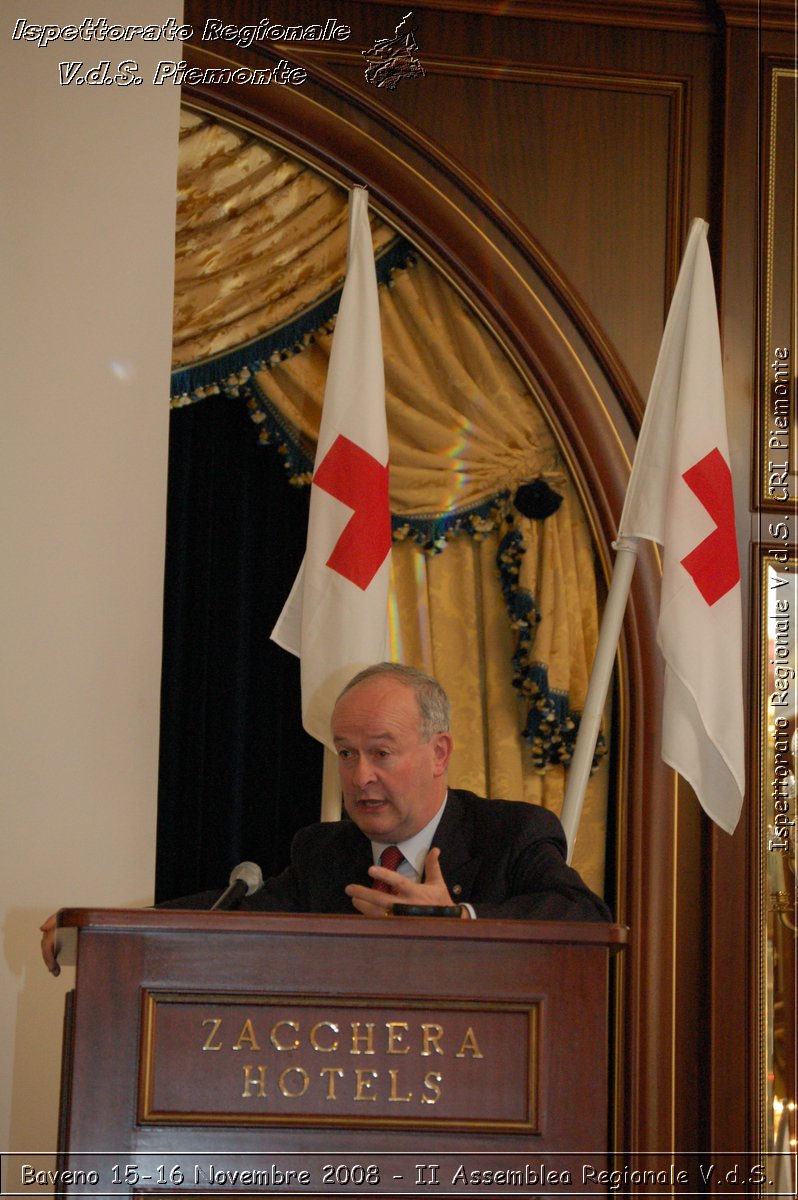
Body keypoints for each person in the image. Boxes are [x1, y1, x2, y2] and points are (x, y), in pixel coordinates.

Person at [41, 662, 609, 974]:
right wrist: (102, 927)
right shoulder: (325, 852)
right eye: (345, 752)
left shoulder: (511, 834)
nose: (360, 776)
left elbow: (586, 917)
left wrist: (458, 917)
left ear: (439, 753)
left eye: (381, 753)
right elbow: (232, 915)